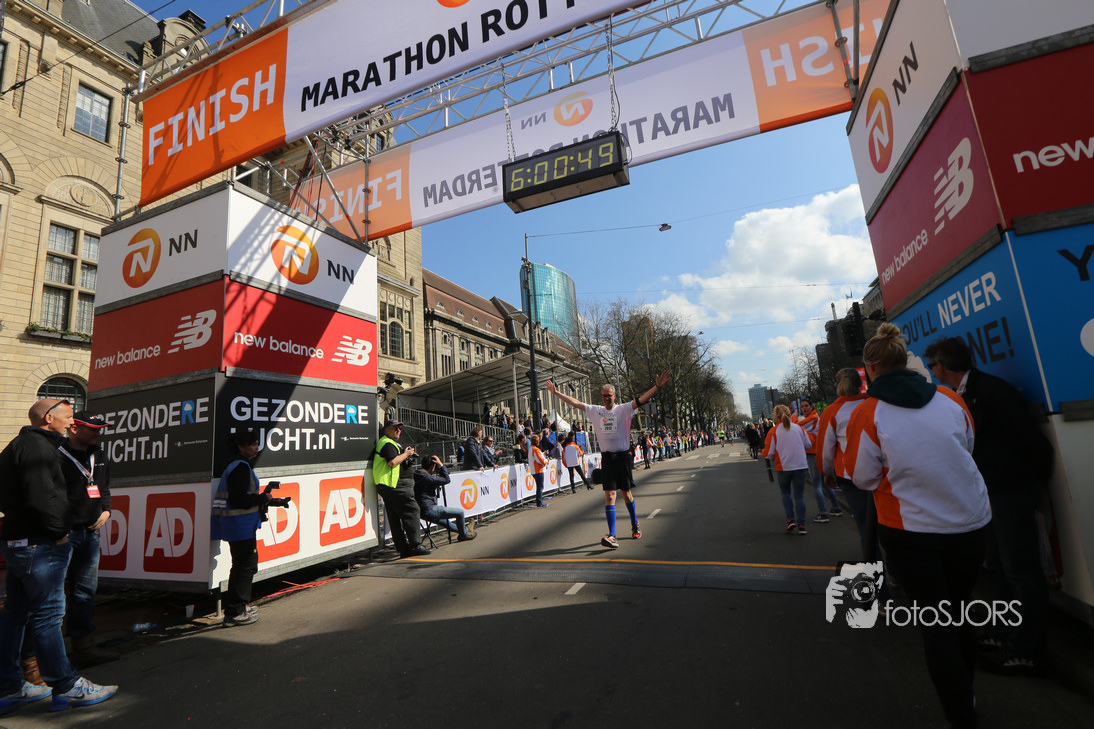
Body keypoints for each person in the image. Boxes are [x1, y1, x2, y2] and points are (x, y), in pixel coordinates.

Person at [846, 323, 991, 729]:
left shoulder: (868, 412)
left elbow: (862, 477)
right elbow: (967, 446)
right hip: (970, 521)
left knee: (937, 626)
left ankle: (961, 714)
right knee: (959, 610)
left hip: (911, 530)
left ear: (871, 367)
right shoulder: (949, 397)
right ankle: (967, 692)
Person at [924, 336, 1053, 676]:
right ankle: (1005, 632)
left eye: (931, 365)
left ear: (942, 366)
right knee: (998, 566)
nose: (931, 371)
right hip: (990, 494)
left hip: (1010, 492)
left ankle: (1027, 649)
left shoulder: (991, 392)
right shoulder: (964, 394)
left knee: (1020, 569)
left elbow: (1029, 440)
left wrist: (1031, 483)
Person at [0, 399, 118, 714]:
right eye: (67, 417)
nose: (70, 423)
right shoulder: (38, 448)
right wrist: (58, 531)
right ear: (48, 418)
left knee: (16, 614)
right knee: (49, 615)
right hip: (40, 544)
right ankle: (66, 686)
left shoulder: (19, 446)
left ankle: (9, 687)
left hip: (21, 541)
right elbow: (42, 498)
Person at [546, 371, 671, 548]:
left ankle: (635, 523)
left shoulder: (624, 409)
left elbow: (641, 400)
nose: (606, 399)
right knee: (610, 495)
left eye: (609, 396)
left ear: (615, 396)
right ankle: (612, 535)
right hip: (607, 458)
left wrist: (657, 387)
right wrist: (556, 393)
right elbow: (575, 403)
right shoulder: (596, 411)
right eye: (604, 396)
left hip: (623, 457)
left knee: (626, 495)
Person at [211, 429, 291, 626]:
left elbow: (242, 497)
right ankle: (235, 612)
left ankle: (239, 606)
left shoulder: (236, 466)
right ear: (241, 447)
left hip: (238, 526)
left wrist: (268, 500)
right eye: (252, 444)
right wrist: (262, 498)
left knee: (244, 566)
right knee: (244, 567)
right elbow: (239, 499)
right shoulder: (240, 468)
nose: (256, 447)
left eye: (257, 443)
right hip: (240, 527)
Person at [57, 412, 115, 667]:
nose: (97, 433)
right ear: (74, 429)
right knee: (54, 597)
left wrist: (107, 510)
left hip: (90, 534)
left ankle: (84, 649)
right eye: (92, 429)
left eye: (99, 428)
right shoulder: (56, 454)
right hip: (63, 536)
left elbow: (104, 487)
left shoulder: (99, 455)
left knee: (85, 593)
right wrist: (59, 528)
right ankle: (49, 657)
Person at [817, 370, 872, 555]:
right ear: (860, 384)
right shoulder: (873, 403)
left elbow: (826, 449)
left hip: (851, 475)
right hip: (882, 473)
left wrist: (827, 473)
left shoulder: (832, 411)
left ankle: (876, 569)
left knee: (866, 528)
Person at [373, 421, 431, 558]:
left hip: (391, 485)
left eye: (399, 428)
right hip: (395, 485)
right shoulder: (387, 443)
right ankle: (415, 545)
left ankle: (403, 549)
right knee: (413, 510)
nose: (399, 430)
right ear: (387, 430)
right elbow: (392, 461)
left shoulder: (390, 443)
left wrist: (406, 456)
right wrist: (406, 454)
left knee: (394, 517)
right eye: (395, 428)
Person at [762, 404, 812, 535]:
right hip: (800, 465)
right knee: (800, 496)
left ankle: (791, 520)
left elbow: (769, 453)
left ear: (775, 416)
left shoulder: (774, 431)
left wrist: (764, 453)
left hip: (784, 466)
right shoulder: (799, 428)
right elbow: (809, 444)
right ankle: (802, 525)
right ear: (790, 414)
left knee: (786, 493)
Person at [414, 455, 477, 541]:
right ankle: (464, 534)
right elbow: (447, 479)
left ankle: (466, 530)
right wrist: (441, 465)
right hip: (430, 510)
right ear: (433, 466)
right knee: (460, 513)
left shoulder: (417, 474)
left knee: (448, 523)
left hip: (421, 512)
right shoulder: (427, 478)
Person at [798, 399, 841, 523]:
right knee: (824, 483)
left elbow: (795, 426)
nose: (804, 408)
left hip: (814, 454)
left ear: (812, 406)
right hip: (819, 452)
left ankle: (823, 513)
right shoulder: (814, 417)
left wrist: (794, 416)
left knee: (816, 485)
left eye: (806, 406)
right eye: (802, 406)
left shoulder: (813, 418)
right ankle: (836, 507)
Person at [529, 435, 549, 508]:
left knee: (539, 486)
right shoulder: (535, 449)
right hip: (538, 470)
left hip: (534, 470)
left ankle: (539, 501)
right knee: (540, 487)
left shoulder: (531, 448)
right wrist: (546, 461)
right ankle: (539, 502)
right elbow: (540, 460)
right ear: (537, 442)